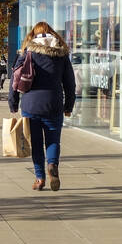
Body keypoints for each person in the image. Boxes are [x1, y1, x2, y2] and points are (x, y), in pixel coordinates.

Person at [8, 21, 76, 192]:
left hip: (31, 105)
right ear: (53, 34)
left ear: (33, 35)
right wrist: (68, 106)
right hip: (54, 103)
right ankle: (52, 166)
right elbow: (70, 84)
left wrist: (13, 103)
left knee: (37, 143)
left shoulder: (27, 53)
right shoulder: (62, 55)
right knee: (53, 141)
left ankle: (39, 179)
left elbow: (15, 80)